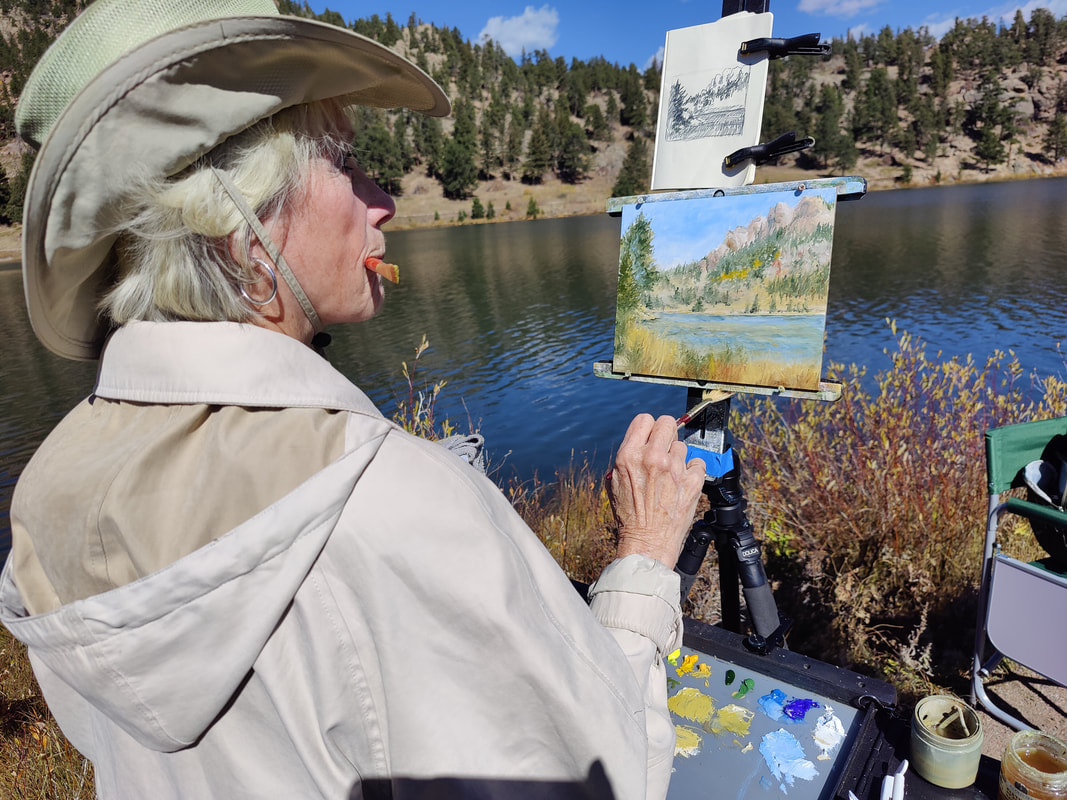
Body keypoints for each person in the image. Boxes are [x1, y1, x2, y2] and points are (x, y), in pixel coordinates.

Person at [0, 1, 707, 798]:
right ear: (242, 227)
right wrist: (644, 555)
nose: (384, 202)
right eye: (343, 162)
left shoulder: (45, 489)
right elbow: (603, 775)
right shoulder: (385, 501)